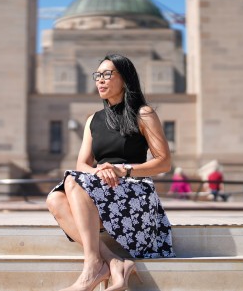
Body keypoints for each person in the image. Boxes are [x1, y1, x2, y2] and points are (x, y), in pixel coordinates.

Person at [46, 54, 175, 291]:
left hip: (134, 191)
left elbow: (164, 162)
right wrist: (100, 171)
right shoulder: (92, 120)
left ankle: (94, 266)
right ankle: (109, 261)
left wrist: (121, 170)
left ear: (125, 79)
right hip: (100, 187)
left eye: (107, 74)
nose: (100, 81)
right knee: (55, 196)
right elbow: (82, 165)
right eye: (98, 76)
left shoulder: (143, 113)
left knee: (72, 182)